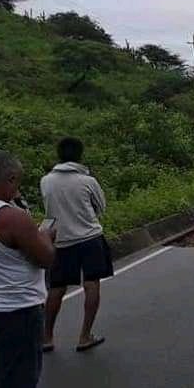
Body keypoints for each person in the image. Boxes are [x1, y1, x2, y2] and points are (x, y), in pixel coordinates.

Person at [0, 151, 55, 388]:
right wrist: (45, 236)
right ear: (9, 179)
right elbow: (45, 258)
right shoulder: (11, 217)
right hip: (17, 311)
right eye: (17, 181)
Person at [41, 138, 112, 353]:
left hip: (61, 240)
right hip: (90, 238)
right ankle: (84, 336)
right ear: (80, 154)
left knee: (56, 288)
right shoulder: (87, 180)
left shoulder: (46, 181)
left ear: (59, 154)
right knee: (91, 284)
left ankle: (47, 337)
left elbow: (49, 210)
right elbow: (101, 207)